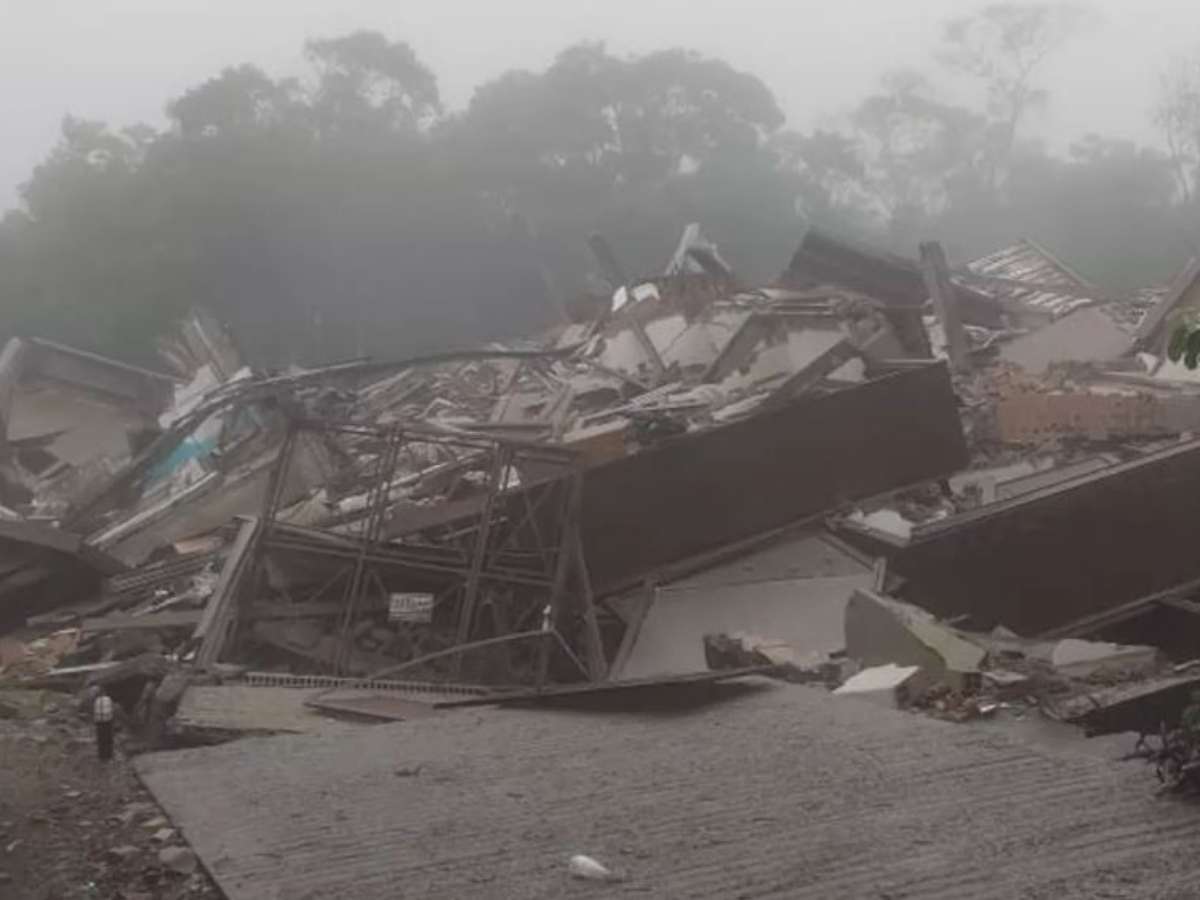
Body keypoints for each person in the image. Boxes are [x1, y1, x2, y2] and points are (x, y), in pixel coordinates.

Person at [93, 687, 114, 761]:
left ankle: (102, 756)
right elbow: (112, 709)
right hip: (108, 721)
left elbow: (95, 712)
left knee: (101, 739)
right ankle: (109, 755)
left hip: (99, 722)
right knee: (108, 739)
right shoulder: (108, 699)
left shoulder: (96, 700)